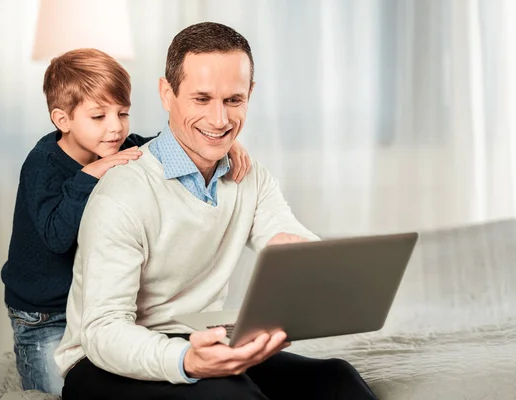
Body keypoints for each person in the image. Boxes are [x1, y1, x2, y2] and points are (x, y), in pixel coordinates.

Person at [56, 23, 377, 399]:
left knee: (338, 380)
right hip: (102, 363)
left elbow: (284, 234)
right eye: (202, 99)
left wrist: (301, 257)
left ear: (250, 95)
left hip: (199, 340)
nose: (220, 120)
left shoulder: (249, 177)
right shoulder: (122, 193)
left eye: (233, 100)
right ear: (166, 93)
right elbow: (103, 331)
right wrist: (187, 361)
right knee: (232, 395)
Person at [0, 47, 252, 395]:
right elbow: (56, 237)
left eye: (123, 113)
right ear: (63, 120)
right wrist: (88, 176)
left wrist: (222, 145)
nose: (116, 128)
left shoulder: (120, 146)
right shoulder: (43, 165)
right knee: (53, 391)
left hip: (90, 302)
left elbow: (169, 145)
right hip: (44, 312)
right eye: (99, 117)